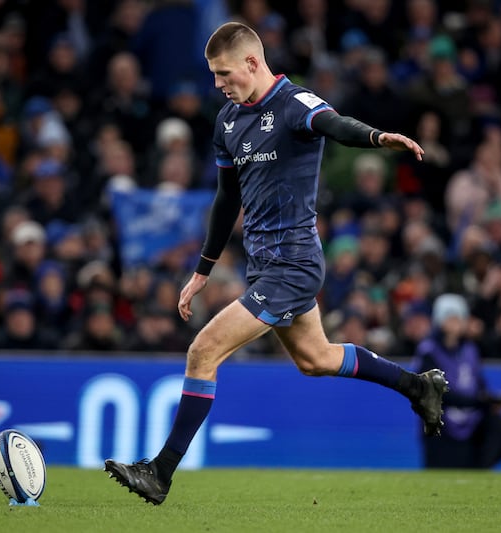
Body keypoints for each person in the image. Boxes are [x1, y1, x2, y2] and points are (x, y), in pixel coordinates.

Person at [104, 21, 449, 505]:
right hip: (265, 266)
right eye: (213, 75)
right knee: (316, 359)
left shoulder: (294, 104)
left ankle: (160, 472)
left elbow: (335, 124)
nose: (219, 83)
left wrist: (376, 138)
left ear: (251, 62)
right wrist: (201, 271)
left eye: (224, 73)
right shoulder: (228, 121)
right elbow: (227, 200)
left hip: (294, 264)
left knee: (203, 352)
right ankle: (418, 386)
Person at [412, 294, 501, 468]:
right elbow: (433, 393)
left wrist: (490, 400)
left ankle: (481, 470)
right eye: (451, 317)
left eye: (459, 318)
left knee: (500, 426)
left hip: (470, 417)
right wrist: (478, 402)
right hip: (441, 423)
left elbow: (478, 384)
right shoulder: (429, 351)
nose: (456, 323)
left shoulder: (470, 349)